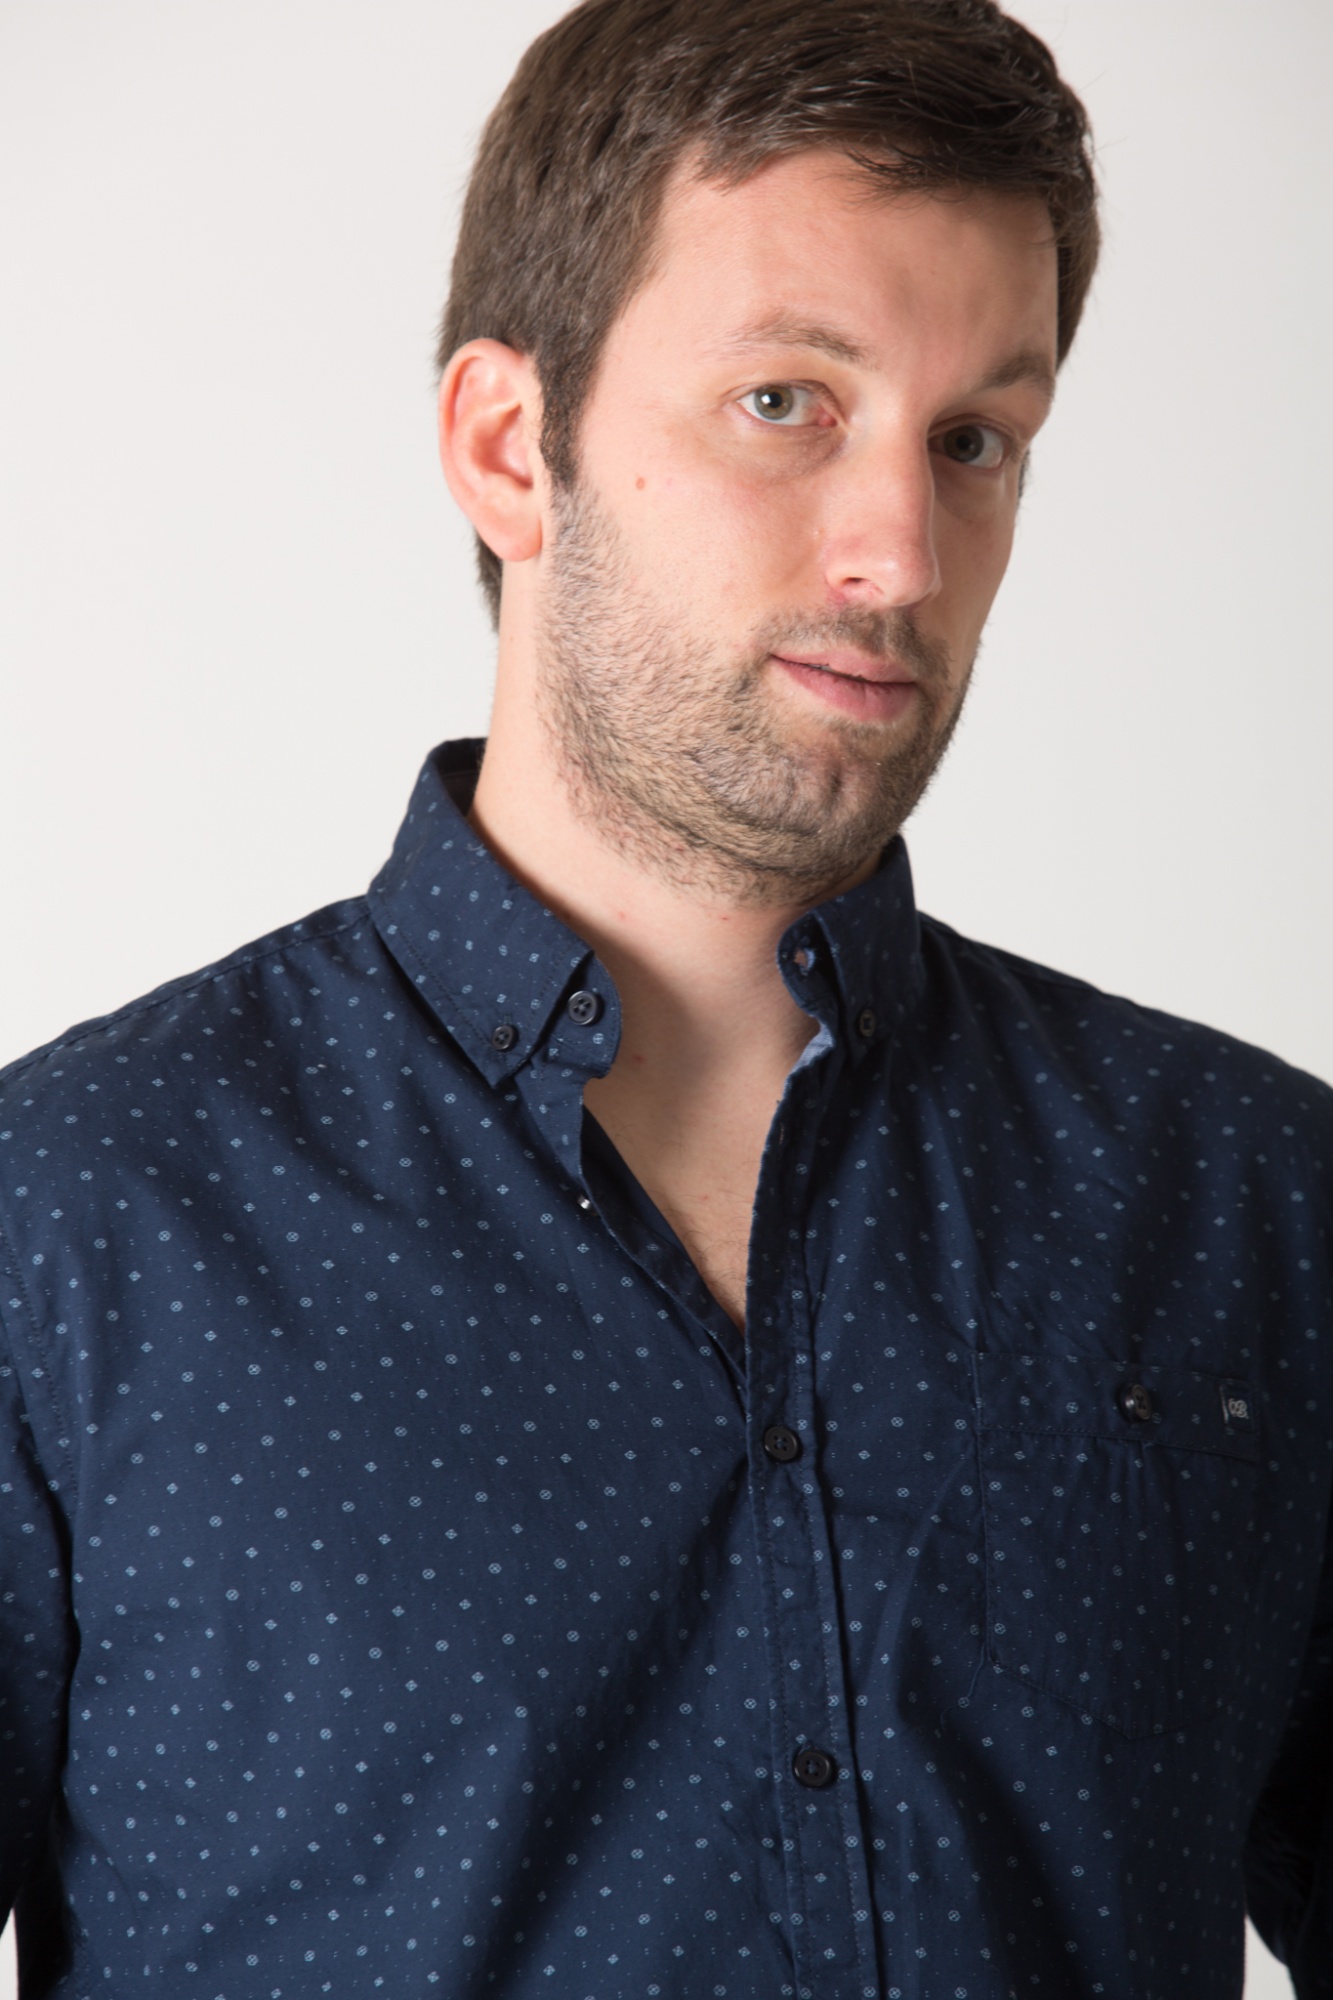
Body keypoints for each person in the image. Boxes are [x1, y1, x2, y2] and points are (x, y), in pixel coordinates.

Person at [1, 0, 1329, 1994]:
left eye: (973, 440)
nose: (901, 552)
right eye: (786, 400)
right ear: (508, 447)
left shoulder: (1256, 1204)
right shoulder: (65, 1224)